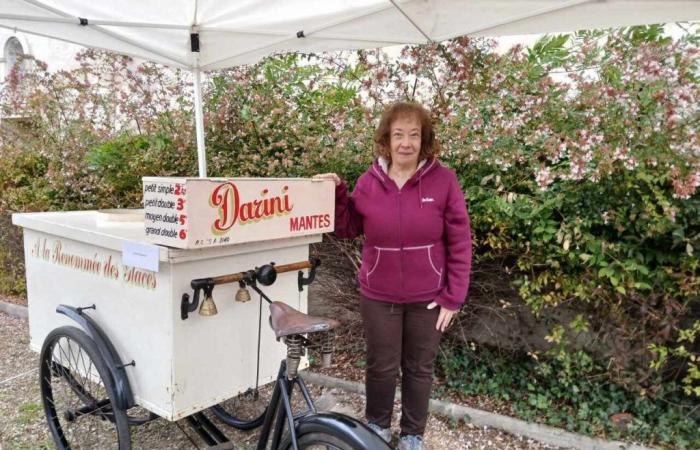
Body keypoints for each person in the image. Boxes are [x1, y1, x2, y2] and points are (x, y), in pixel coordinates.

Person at [314, 101, 472, 450]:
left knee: (419, 369)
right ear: (386, 139)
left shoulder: (444, 181)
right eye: (398, 134)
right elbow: (348, 227)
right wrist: (338, 192)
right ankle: (378, 428)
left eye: (413, 135)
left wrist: (453, 295)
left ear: (424, 140)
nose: (406, 143)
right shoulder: (369, 183)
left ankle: (413, 435)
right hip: (378, 295)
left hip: (428, 298)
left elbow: (460, 240)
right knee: (381, 367)